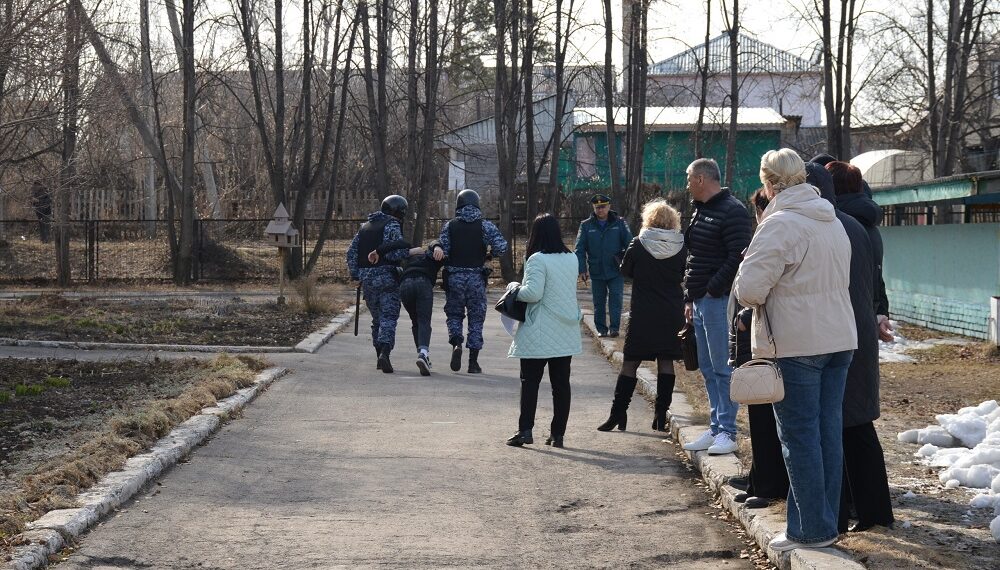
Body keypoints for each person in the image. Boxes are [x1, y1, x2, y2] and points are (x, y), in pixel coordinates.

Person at [734, 148, 857, 552]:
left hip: (797, 343)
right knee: (826, 433)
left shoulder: (779, 224)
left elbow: (750, 290)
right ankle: (823, 523)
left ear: (768, 183)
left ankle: (811, 532)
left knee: (800, 437)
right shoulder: (831, 220)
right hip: (839, 339)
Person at [825, 160, 896, 533]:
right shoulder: (863, 223)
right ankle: (874, 510)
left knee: (848, 424)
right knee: (857, 423)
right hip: (860, 328)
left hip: (845, 332)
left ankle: (863, 510)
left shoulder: (842, 225)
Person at [681, 158, 752, 455]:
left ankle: (728, 431)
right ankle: (715, 428)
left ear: (701, 179)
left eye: (688, 179)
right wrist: (689, 296)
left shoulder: (733, 211)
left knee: (723, 368)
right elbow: (694, 256)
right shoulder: (702, 210)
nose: (686, 185)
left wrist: (712, 289)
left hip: (717, 301)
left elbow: (738, 256)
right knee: (708, 368)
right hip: (698, 301)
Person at [596, 199, 686, 433]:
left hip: (644, 311)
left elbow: (626, 271)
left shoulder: (638, 244)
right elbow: (683, 273)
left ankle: (617, 413)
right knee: (666, 362)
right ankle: (660, 415)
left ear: (649, 219)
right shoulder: (682, 246)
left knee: (630, 363)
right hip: (671, 311)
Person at [728, 188, 790, 510]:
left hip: (770, 340)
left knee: (767, 415)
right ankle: (759, 477)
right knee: (760, 414)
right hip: (762, 337)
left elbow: (759, 289)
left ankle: (769, 484)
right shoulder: (771, 234)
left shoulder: (776, 234)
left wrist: (747, 311)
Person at [505, 213, 582, 449]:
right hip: (565, 329)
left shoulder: (537, 259)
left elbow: (533, 294)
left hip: (539, 329)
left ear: (535, 234)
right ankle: (558, 434)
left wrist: (514, 288)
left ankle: (525, 430)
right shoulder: (572, 258)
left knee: (530, 381)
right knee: (561, 384)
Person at [437, 189, 508, 374]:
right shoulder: (485, 226)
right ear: (477, 204)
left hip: (454, 278)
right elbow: (502, 246)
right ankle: (473, 362)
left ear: (458, 205)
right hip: (477, 278)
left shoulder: (449, 226)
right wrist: (490, 255)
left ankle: (456, 343)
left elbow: (442, 250)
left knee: (454, 315)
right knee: (476, 319)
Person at [346, 195, 410, 373]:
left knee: (377, 320)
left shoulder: (364, 227)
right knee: (389, 317)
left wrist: (356, 275)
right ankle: (385, 353)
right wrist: (406, 254)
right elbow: (397, 252)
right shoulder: (392, 224)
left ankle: (378, 356)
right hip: (387, 276)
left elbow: (350, 253)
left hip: (367, 281)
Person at [369, 239, 445, 376]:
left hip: (405, 285)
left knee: (416, 321)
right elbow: (447, 255)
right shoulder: (431, 257)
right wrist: (436, 246)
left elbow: (395, 246)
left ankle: (422, 355)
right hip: (423, 283)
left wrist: (377, 251)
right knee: (424, 321)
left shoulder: (404, 258)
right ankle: (422, 354)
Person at [574, 194, 632, 338]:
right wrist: (582, 269)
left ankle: (614, 328)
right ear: (593, 208)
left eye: (603, 206)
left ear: (609, 206)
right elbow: (579, 249)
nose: (600, 210)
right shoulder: (586, 225)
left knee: (616, 299)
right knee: (598, 302)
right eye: (597, 207)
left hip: (615, 270)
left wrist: (625, 262)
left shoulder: (619, 223)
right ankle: (601, 329)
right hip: (596, 270)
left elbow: (630, 244)